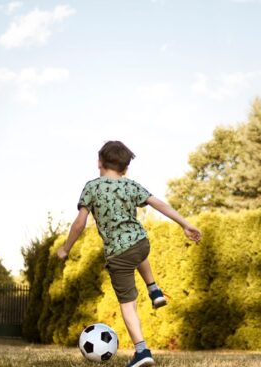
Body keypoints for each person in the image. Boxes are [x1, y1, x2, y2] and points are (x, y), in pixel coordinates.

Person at [57, 141, 201, 367]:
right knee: (137, 248)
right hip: (142, 243)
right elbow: (159, 204)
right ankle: (154, 289)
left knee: (128, 305)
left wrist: (66, 248)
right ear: (125, 169)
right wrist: (185, 224)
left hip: (118, 255)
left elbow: (79, 223)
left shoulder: (92, 187)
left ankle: (142, 351)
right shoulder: (131, 186)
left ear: (99, 162)